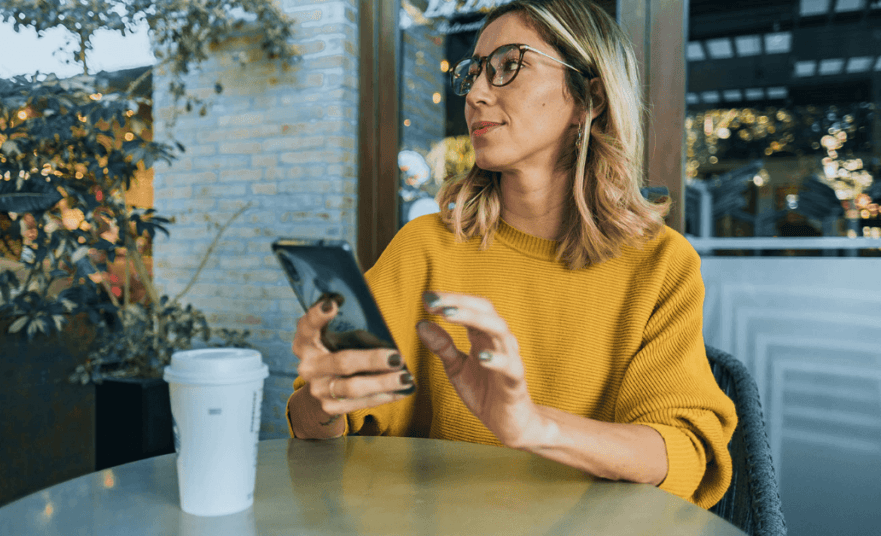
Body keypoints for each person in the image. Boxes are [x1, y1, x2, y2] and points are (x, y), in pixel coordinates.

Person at [285, 0, 737, 509]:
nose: (476, 94)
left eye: (507, 66)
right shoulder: (424, 247)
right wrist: (324, 400)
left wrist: (530, 425)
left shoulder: (660, 265)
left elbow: (680, 450)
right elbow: (313, 425)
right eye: (474, 72)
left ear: (589, 96)